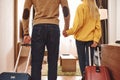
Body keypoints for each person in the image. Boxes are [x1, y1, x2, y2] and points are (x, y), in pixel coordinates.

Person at [22, 0, 70, 80]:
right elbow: (65, 10)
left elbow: (26, 11)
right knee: (53, 62)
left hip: (38, 27)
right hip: (53, 27)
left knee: (36, 62)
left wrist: (26, 33)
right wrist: (66, 27)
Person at [63, 0, 101, 79]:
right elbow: (98, 28)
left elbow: (78, 24)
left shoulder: (81, 7)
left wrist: (68, 32)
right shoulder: (95, 8)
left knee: (82, 60)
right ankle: (89, 77)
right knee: (89, 61)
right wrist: (96, 40)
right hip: (90, 40)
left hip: (80, 39)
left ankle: (84, 77)